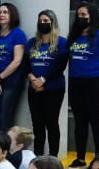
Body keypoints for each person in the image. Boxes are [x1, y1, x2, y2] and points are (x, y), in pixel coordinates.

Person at [65, 4, 99, 169]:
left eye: (84, 15)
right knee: (80, 122)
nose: (80, 18)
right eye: (78, 15)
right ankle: (80, 159)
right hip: (76, 83)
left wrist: (98, 72)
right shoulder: (73, 36)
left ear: (92, 16)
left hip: (95, 83)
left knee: (97, 121)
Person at [24, 10, 68, 158]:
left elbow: (60, 66)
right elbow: (25, 65)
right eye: (40, 21)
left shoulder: (62, 43)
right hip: (33, 88)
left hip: (54, 88)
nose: (42, 23)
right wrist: (32, 78)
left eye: (45, 21)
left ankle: (53, 156)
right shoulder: (31, 43)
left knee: (51, 122)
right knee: (37, 124)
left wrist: (43, 80)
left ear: (52, 23)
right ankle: (38, 155)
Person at [0, 2, 27, 133]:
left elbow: (17, 61)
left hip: (11, 83)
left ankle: (7, 145)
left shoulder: (18, 34)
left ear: (12, 15)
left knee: (6, 119)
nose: (1, 15)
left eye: (5, 12)